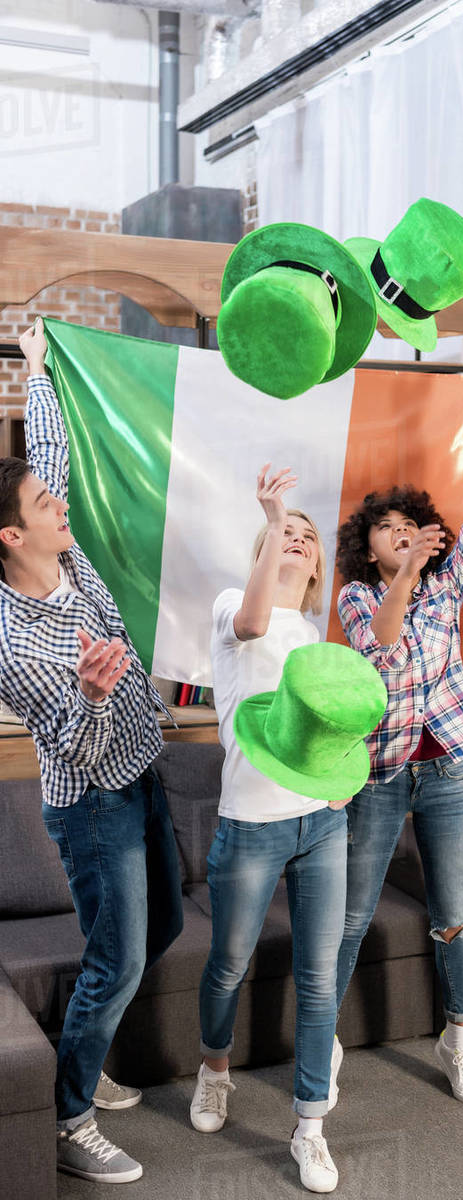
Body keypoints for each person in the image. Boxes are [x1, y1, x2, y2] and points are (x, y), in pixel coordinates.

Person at [0, 319, 184, 1183]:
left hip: (142, 771)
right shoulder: (13, 642)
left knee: (163, 927)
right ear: (10, 536)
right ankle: (70, 1116)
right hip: (90, 803)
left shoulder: (61, 553)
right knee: (115, 958)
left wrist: (38, 368)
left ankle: (85, 1055)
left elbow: (50, 458)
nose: (61, 504)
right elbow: (69, 742)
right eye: (45, 506)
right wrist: (94, 694)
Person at [334, 364, 463, 1106]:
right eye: (388, 530)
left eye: (412, 528)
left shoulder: (445, 585)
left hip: (444, 772)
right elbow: (380, 648)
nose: (403, 536)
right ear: (369, 547)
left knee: (450, 915)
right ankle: (325, 1039)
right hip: (379, 774)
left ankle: (459, 1041)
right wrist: (404, 574)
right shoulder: (354, 596)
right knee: (349, 916)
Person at [191, 464, 347, 1195]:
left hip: (321, 823)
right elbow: (255, 623)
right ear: (263, 545)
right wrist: (275, 513)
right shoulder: (233, 607)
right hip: (250, 827)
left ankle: (310, 1127)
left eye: (307, 535)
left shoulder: (316, 634)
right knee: (228, 964)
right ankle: (214, 1068)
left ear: (316, 566)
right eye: (285, 532)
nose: (297, 537)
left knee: (318, 982)